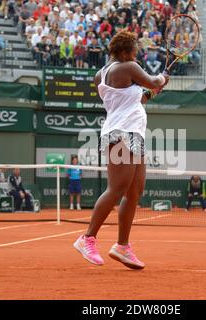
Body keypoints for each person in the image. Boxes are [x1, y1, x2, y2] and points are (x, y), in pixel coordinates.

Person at [73, 31, 169, 270]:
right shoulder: (128, 67)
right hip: (121, 134)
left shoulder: (101, 74)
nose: (137, 54)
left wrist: (150, 92)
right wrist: (162, 80)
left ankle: (122, 246)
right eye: (135, 50)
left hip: (132, 133)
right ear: (126, 52)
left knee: (134, 192)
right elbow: (154, 81)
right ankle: (87, 238)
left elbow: (135, 98)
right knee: (116, 190)